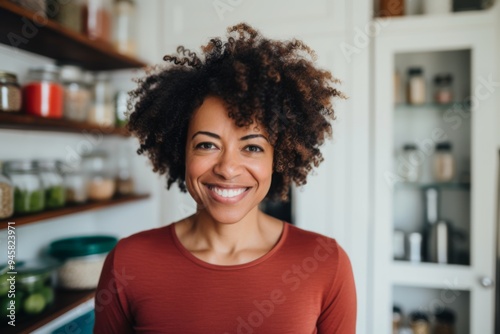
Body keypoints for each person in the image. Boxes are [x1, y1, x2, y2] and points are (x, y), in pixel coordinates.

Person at [94, 23, 356, 333]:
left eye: (252, 147)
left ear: (279, 158)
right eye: (207, 144)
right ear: (182, 151)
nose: (228, 168)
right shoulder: (128, 263)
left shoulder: (326, 263)